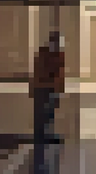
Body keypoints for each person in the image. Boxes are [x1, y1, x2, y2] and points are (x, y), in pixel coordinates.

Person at [32, 32, 65, 174]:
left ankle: (43, 136)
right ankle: (42, 136)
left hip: (45, 87)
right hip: (45, 88)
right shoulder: (51, 55)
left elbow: (59, 74)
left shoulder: (50, 54)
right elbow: (57, 74)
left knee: (46, 114)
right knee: (44, 114)